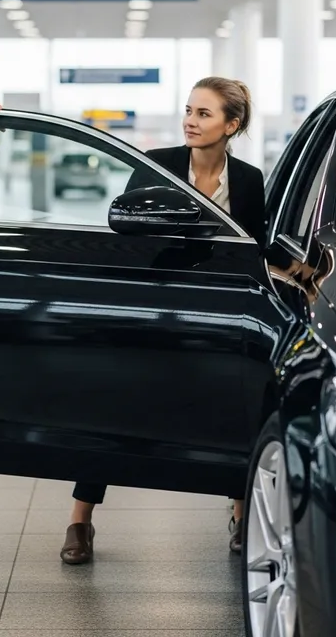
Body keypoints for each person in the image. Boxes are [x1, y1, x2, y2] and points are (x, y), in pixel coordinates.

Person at [59, 75, 266, 565]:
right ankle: (79, 521)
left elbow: (255, 253)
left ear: (231, 125)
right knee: (115, 409)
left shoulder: (251, 181)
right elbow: (126, 236)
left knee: (235, 412)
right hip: (154, 307)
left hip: (218, 315)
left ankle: (241, 515)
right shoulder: (158, 167)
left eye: (204, 114)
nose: (190, 122)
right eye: (189, 111)